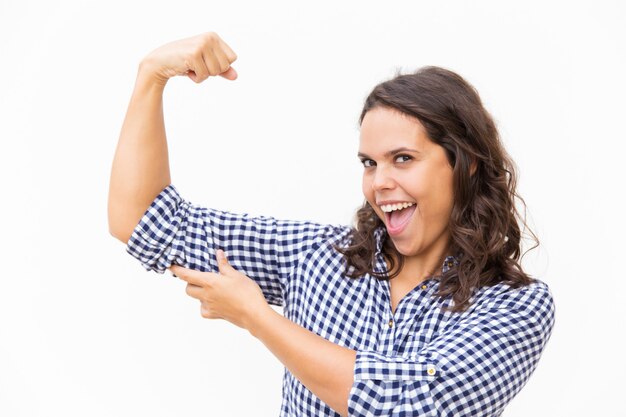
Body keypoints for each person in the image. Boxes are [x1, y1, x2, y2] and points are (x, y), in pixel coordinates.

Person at [108, 31, 555, 417]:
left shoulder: (517, 307)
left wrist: (258, 318)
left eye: (403, 159)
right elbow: (144, 220)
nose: (380, 183)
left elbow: (411, 405)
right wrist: (152, 76)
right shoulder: (317, 255)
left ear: (467, 163)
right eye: (369, 163)